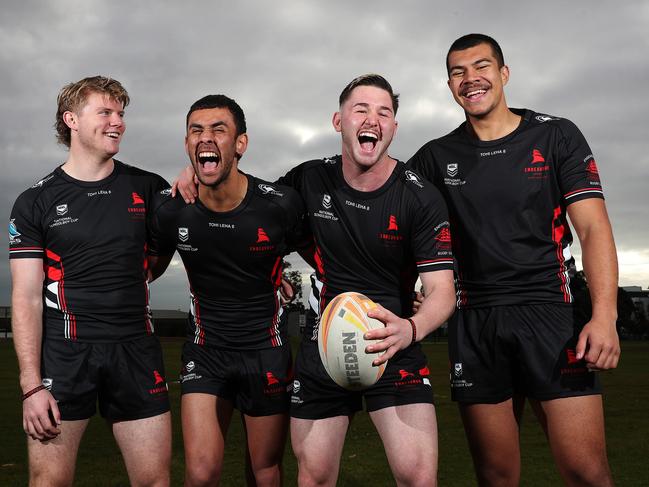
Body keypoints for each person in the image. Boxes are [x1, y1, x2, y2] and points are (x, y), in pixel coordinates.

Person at [174, 74, 456, 486]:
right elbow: (251, 210)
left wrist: (411, 328)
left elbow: (442, 292)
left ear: (394, 127)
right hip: (323, 346)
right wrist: (197, 173)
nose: (372, 119)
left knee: (419, 476)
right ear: (338, 121)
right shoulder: (306, 181)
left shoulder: (420, 197)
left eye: (384, 112)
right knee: (315, 476)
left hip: (393, 342)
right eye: (360, 109)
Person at [408, 34, 620, 487]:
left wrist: (605, 316)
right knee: (497, 476)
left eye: (481, 67)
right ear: (449, 85)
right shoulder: (432, 159)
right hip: (475, 323)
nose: (471, 79)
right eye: (458, 72)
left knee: (586, 472)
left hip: (551, 317)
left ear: (504, 74)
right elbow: (404, 236)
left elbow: (593, 228)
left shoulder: (555, 134)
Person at [9, 76, 171, 486]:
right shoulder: (35, 201)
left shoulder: (149, 188)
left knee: (154, 480)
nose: (117, 121)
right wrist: (31, 388)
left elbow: (191, 239)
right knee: (49, 482)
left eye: (121, 113)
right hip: (64, 355)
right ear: (72, 120)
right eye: (105, 112)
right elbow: (26, 298)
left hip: (136, 349)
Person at [148, 95, 309, 487]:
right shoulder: (171, 210)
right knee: (201, 473)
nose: (206, 138)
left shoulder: (280, 205)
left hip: (266, 353)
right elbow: (144, 270)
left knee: (264, 470)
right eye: (196, 130)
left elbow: (327, 259)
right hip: (206, 353)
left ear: (241, 143)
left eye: (218, 129)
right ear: (187, 145)